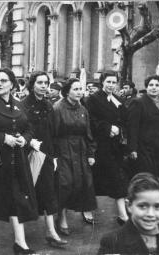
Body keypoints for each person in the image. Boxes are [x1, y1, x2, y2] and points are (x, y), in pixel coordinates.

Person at [0, 68, 38, 254]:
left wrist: (24, 139)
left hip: (16, 159)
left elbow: (28, 127)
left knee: (16, 197)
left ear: (12, 84)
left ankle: (20, 242)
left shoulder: (19, 105)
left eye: (4, 80)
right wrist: (3, 138)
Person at [21, 71, 67, 248]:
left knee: (48, 192)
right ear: (32, 84)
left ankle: (51, 232)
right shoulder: (24, 104)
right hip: (29, 154)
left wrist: (54, 155)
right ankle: (21, 237)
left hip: (46, 154)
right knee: (26, 192)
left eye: (45, 82)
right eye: (39, 82)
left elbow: (54, 132)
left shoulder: (49, 105)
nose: (43, 85)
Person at [53, 78, 97, 232]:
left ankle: (85, 210)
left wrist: (91, 152)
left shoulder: (83, 109)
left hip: (81, 150)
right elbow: (53, 133)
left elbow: (88, 133)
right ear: (67, 91)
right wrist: (54, 156)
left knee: (84, 182)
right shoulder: (58, 108)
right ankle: (61, 216)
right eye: (76, 89)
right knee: (65, 184)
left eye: (81, 89)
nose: (79, 92)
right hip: (63, 150)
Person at [85, 70, 129, 225]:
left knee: (117, 178)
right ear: (102, 82)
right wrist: (107, 127)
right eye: (108, 82)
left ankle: (123, 214)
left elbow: (125, 119)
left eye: (113, 82)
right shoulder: (92, 99)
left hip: (114, 146)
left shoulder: (118, 99)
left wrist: (118, 128)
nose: (111, 85)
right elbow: (90, 120)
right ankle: (87, 208)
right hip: (98, 145)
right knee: (94, 179)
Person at [127, 75, 159, 192]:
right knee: (145, 180)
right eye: (151, 85)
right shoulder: (138, 103)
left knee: (158, 181)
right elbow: (132, 127)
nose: (153, 88)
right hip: (143, 148)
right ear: (146, 87)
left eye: (157, 85)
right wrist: (132, 149)